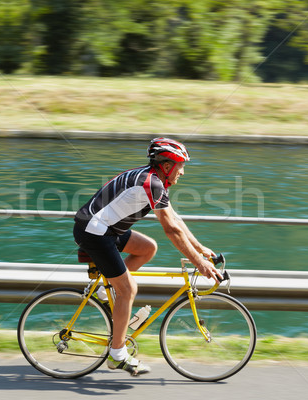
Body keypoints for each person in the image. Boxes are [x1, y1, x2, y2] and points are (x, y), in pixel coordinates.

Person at [73, 137, 223, 376]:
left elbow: (176, 221)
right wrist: (199, 263)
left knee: (148, 248)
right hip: (95, 233)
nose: (182, 172)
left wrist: (200, 248)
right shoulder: (151, 184)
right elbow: (171, 230)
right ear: (166, 166)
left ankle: (105, 292)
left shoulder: (154, 180)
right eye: (181, 166)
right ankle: (118, 355)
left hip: (107, 229)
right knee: (128, 290)